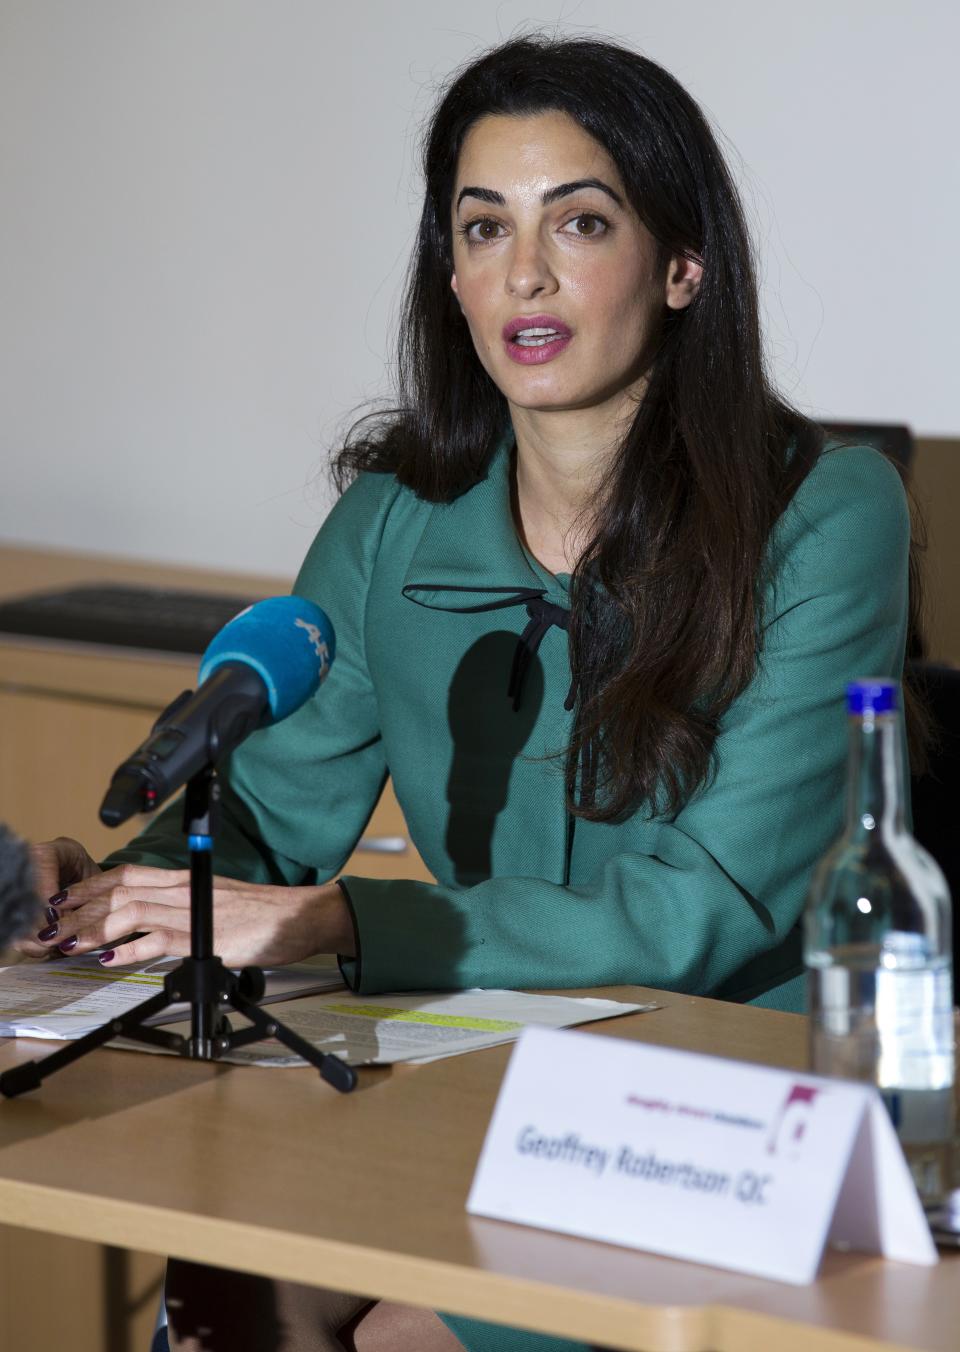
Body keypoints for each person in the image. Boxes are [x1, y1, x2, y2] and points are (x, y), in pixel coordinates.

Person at [26, 34, 918, 1352]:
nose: (528, 272)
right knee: (226, 1292)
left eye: (584, 220)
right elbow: (267, 821)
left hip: (734, 1101)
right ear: (450, 274)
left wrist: (343, 922)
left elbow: (700, 917)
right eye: (484, 227)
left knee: (399, 1331)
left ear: (684, 267)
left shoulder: (825, 514)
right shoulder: (396, 520)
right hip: (469, 1067)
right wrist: (125, 894)